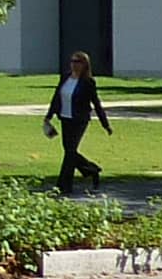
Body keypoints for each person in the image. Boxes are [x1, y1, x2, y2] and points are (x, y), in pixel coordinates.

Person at [46, 49, 112, 193]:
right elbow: (57, 97)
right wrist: (49, 115)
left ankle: (63, 186)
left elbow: (96, 103)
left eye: (78, 62)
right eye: (72, 61)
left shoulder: (88, 82)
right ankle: (92, 170)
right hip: (65, 117)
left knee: (70, 152)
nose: (74, 64)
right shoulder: (65, 77)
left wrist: (105, 124)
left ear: (85, 64)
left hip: (79, 120)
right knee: (69, 151)